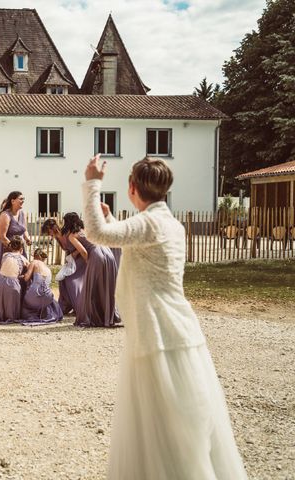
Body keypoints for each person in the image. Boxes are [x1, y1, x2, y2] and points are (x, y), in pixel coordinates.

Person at [83, 155, 247, 479]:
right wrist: (113, 217)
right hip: (177, 329)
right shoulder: (168, 222)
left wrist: (92, 183)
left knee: (163, 422)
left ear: (132, 187)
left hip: (157, 332)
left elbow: (97, 234)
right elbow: (135, 242)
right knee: (179, 422)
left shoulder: (149, 223)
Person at [59, 213, 120, 328]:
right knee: (105, 285)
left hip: (96, 255)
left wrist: (88, 262)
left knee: (93, 286)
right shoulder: (86, 230)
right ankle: (107, 316)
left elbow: (83, 252)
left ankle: (95, 317)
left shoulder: (73, 235)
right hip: (107, 252)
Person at [41, 216, 87, 315]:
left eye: (49, 232)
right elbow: (67, 251)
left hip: (81, 258)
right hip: (72, 259)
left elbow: (79, 248)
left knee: (70, 279)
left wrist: (72, 257)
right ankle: (66, 305)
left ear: (53, 228)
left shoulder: (67, 233)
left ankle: (79, 306)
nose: (49, 235)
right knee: (62, 279)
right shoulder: (57, 238)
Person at [0, 236, 28, 324]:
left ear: (11, 247)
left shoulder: (5, 255)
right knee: (11, 301)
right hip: (12, 283)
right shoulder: (23, 258)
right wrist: (23, 275)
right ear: (21, 249)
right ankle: (9, 315)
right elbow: (30, 270)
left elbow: (1, 267)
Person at [20, 248, 63, 325]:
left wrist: (20, 276)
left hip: (35, 295)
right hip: (47, 297)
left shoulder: (34, 262)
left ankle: (30, 315)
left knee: (25, 303)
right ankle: (42, 314)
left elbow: (26, 278)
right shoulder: (47, 268)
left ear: (35, 256)